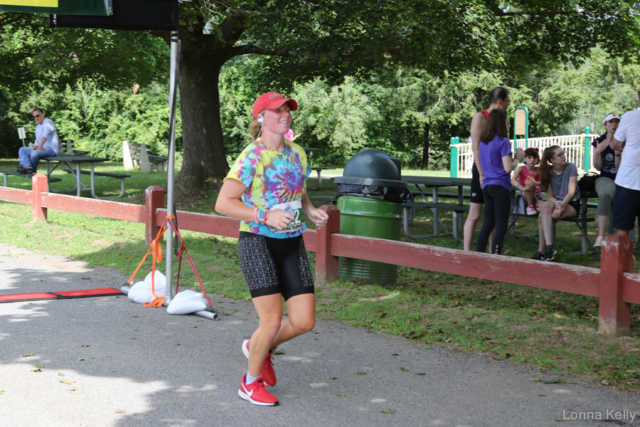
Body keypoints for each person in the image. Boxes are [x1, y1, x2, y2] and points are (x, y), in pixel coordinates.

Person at [215, 92, 329, 407]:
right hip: (258, 242)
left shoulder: (297, 153)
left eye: (287, 110)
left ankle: (258, 348)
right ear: (261, 118)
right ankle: (249, 383)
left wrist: (310, 210)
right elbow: (223, 203)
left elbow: (298, 190)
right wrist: (264, 215)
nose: (284, 114)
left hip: (292, 243)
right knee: (272, 321)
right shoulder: (252, 157)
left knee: (305, 321)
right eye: (276, 110)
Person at [464, 87, 511, 251]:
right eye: (507, 101)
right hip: (482, 170)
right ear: (500, 101)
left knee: (492, 218)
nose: (508, 105)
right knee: (476, 214)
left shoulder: (499, 120)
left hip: (495, 172)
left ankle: (492, 252)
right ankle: (467, 252)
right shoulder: (480, 117)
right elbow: (476, 148)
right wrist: (481, 173)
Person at [475, 109, 524, 254]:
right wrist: (518, 158)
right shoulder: (503, 141)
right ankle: (496, 256)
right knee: (501, 225)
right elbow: (508, 167)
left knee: (487, 224)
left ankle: (478, 255)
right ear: (502, 123)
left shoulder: (483, 143)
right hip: (500, 186)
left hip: (487, 186)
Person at [533, 145, 581, 261]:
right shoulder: (547, 172)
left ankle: (542, 250)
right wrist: (557, 205)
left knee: (541, 216)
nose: (563, 156)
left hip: (571, 204)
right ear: (552, 160)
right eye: (559, 155)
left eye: (563, 153)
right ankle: (549, 247)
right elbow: (550, 197)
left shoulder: (571, 167)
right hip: (555, 203)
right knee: (545, 207)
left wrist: (560, 206)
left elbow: (571, 192)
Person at [611, 89, 640, 246]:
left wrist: (627, 145)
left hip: (629, 179)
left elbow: (615, 144)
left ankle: (622, 262)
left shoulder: (629, 116)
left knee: (622, 225)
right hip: (629, 178)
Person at [591, 113, 622, 247]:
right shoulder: (599, 141)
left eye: (617, 122)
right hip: (605, 177)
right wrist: (598, 153)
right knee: (605, 194)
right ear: (605, 125)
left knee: (625, 200)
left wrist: (617, 152)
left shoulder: (625, 141)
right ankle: (601, 236)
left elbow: (620, 169)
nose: (614, 124)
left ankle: (624, 243)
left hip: (623, 178)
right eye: (611, 122)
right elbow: (598, 167)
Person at [17, 108, 58, 174]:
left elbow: (45, 135)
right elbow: (37, 141)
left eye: (37, 115)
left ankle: (31, 170)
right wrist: (33, 148)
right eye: (34, 116)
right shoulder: (38, 127)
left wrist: (40, 147)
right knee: (22, 150)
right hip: (41, 149)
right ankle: (27, 167)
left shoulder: (48, 122)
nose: (36, 118)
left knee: (34, 153)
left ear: (43, 115)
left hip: (51, 150)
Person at [511, 147, 542, 216]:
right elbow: (513, 180)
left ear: (537, 159)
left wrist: (536, 183)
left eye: (534, 158)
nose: (532, 160)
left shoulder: (538, 170)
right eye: (529, 157)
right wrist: (522, 187)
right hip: (524, 195)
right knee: (530, 183)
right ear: (525, 158)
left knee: (543, 209)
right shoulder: (521, 169)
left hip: (536, 196)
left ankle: (532, 208)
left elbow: (544, 181)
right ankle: (530, 206)